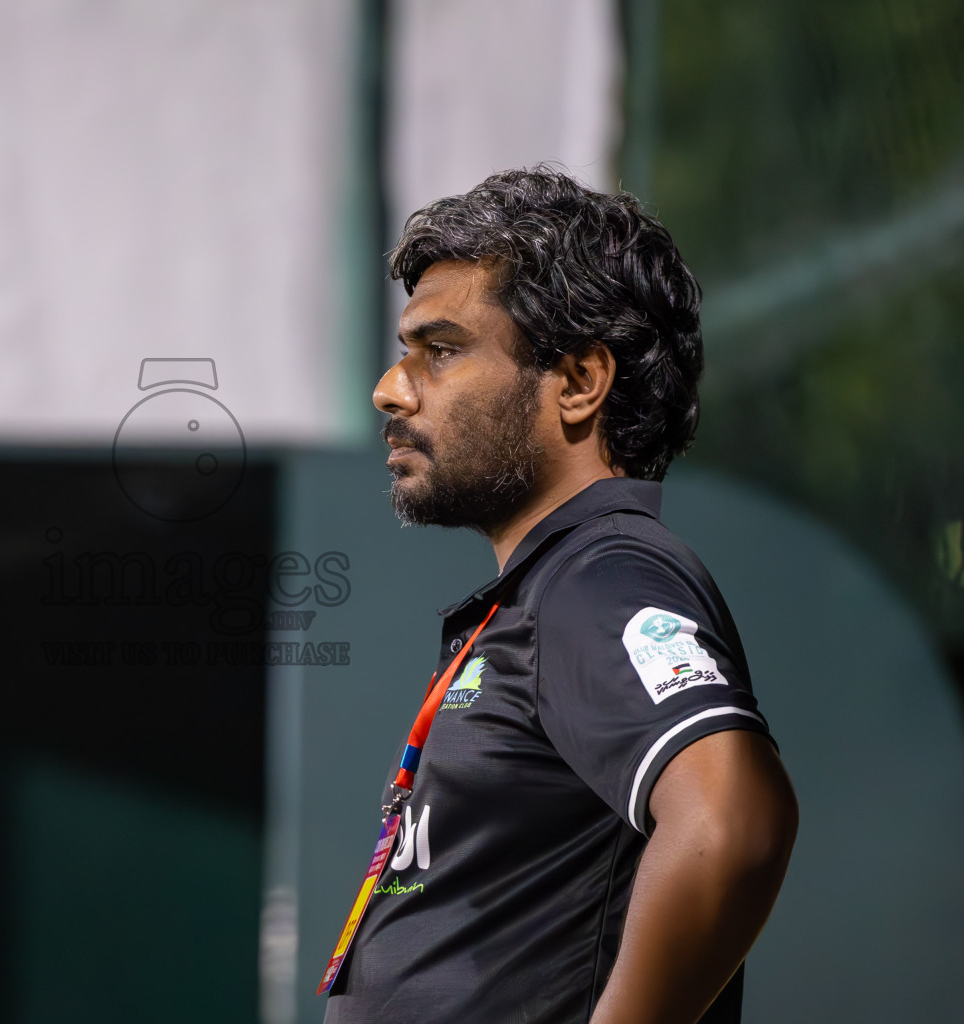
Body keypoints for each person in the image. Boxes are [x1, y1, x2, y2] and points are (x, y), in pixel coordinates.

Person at [320, 168, 798, 1024]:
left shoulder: (600, 575)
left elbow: (731, 822)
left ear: (578, 382)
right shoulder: (555, 585)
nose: (391, 389)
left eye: (442, 349)